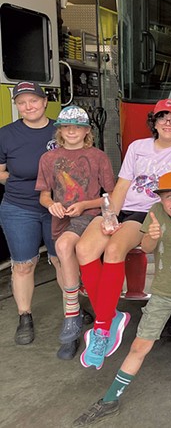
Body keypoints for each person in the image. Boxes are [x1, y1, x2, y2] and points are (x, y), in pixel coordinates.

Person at [73, 172, 171, 427]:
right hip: (161, 293)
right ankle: (109, 399)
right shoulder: (155, 213)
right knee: (139, 347)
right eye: (168, 197)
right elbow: (146, 248)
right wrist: (153, 236)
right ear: (159, 199)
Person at [75, 98, 171, 370]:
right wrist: (110, 216)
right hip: (122, 209)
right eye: (162, 118)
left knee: (114, 251)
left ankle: (101, 330)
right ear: (155, 122)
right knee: (84, 249)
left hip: (148, 214)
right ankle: (110, 316)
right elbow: (123, 185)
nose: (168, 123)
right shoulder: (137, 147)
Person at [35, 106, 116, 360]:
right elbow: (44, 195)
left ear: (87, 131)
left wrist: (84, 205)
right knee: (63, 254)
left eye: (78, 127)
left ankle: (72, 318)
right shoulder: (48, 159)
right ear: (59, 130)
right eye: (67, 127)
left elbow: (110, 196)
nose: (72, 131)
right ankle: (79, 318)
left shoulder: (99, 156)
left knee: (62, 248)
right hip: (62, 219)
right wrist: (52, 205)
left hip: (91, 217)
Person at [0, 81, 61, 345]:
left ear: (45, 101)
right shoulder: (6, 134)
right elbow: (0, 170)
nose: (28, 106)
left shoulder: (62, 130)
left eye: (33, 100)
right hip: (19, 207)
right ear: (16, 105)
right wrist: (18, 181)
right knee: (24, 265)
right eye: (22, 102)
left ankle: (74, 310)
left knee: (63, 260)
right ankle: (25, 316)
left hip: (59, 208)